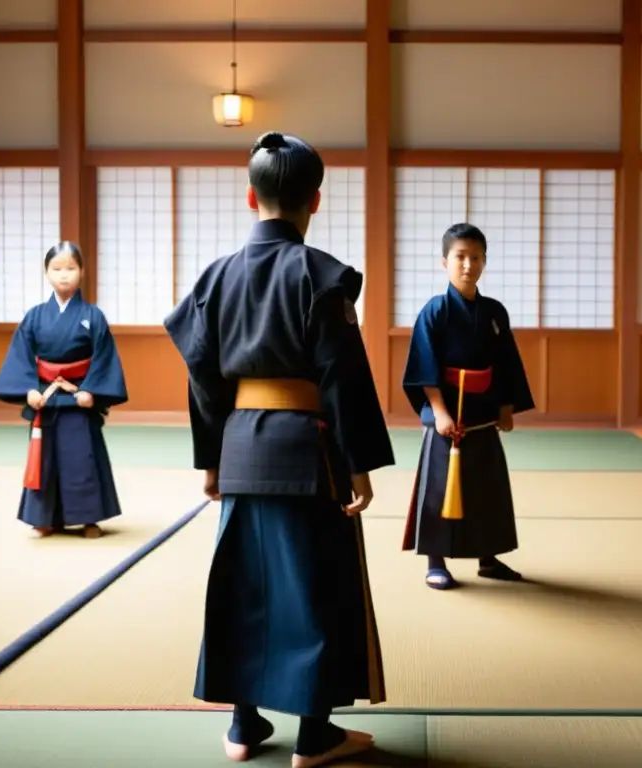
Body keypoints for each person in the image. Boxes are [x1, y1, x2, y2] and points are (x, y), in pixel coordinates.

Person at [163, 131, 395, 768]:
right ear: (315, 202)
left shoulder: (215, 279)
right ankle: (315, 736)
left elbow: (203, 380)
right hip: (307, 453)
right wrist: (358, 466)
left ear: (250, 197)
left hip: (240, 450)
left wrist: (210, 459)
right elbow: (342, 379)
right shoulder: (321, 277)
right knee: (314, 586)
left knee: (243, 584)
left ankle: (243, 727)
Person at [401, 222, 535, 591]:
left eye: (475, 257)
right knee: (441, 488)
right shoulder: (435, 311)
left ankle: (488, 558)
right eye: (460, 256)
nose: (467, 265)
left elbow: (507, 362)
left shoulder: (494, 313)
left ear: (484, 262)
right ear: (444, 261)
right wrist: (439, 412)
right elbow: (423, 366)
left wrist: (506, 406)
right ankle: (435, 560)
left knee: (486, 488)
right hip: (447, 415)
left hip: (481, 416)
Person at [0, 242, 128, 539]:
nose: (64, 275)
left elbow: (103, 356)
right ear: (46, 273)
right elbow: (22, 355)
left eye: (71, 268)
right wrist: (28, 389)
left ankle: (89, 518)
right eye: (57, 269)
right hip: (46, 398)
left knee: (83, 457)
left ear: (82, 272)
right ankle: (44, 517)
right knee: (46, 459)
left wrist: (91, 389)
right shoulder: (35, 316)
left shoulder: (93, 316)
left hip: (79, 397)